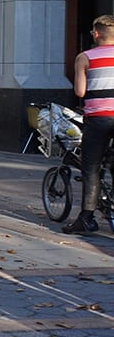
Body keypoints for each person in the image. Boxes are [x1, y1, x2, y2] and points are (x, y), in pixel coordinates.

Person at [68, 14, 114, 234]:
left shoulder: (84, 57)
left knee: (91, 168)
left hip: (98, 118)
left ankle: (86, 219)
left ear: (96, 34)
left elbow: (80, 91)